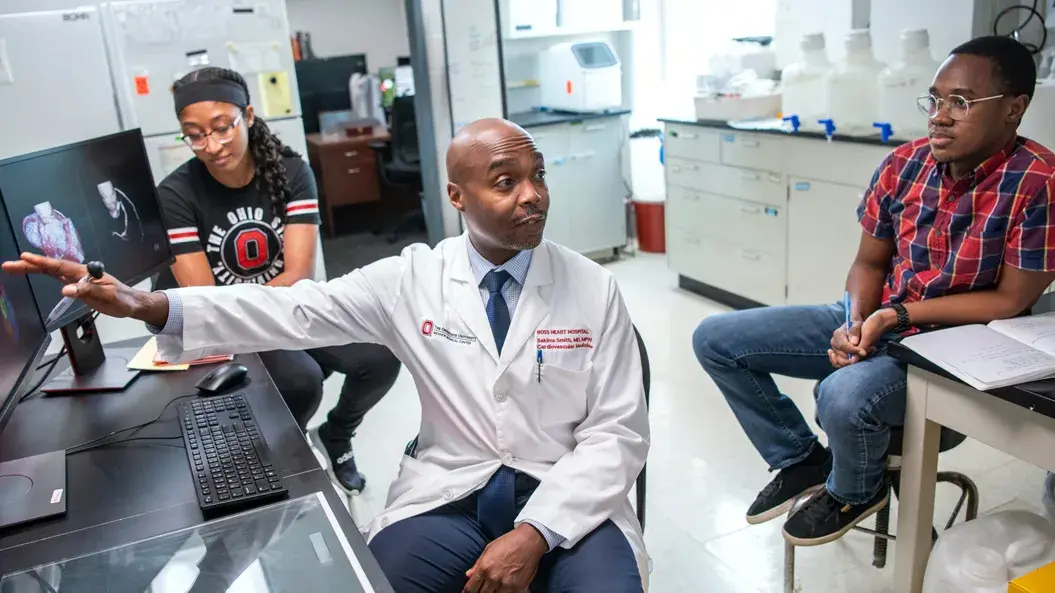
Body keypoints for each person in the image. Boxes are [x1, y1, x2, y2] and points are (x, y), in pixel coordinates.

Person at [5, 117, 650, 592]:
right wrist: (151, 306)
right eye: (506, 183)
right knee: (381, 582)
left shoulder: (594, 286)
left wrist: (535, 533)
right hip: (454, 487)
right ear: (458, 198)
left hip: (564, 497)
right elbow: (293, 309)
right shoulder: (412, 278)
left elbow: (617, 433)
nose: (531, 195)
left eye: (537, 177)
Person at [692, 35, 1055, 546]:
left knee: (839, 395)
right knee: (716, 339)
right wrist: (856, 322)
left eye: (961, 102)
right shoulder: (904, 164)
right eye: (935, 99)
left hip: (950, 350)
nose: (940, 116)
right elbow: (869, 261)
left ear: (1014, 110)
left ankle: (855, 491)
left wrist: (894, 318)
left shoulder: (1039, 182)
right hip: (885, 318)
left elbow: (1010, 301)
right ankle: (801, 459)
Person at [154, 66, 401, 494]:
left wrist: (274, 312)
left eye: (222, 127)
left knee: (381, 355)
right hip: (227, 326)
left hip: (287, 302)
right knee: (300, 379)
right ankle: (286, 466)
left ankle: (337, 434)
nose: (211, 146)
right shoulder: (176, 194)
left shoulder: (290, 172)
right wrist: (262, 316)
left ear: (247, 116)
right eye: (194, 135)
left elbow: (298, 273)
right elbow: (206, 300)